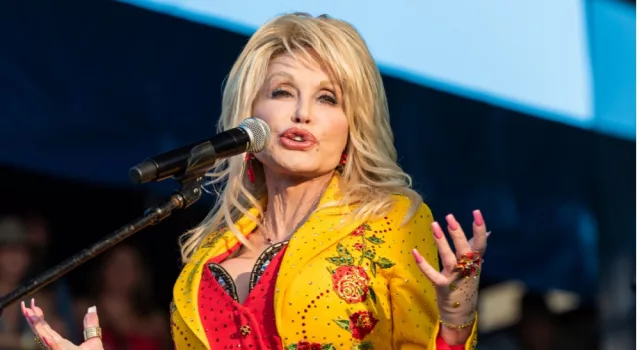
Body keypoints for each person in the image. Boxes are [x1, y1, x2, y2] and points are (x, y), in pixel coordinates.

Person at [21, 12, 489, 350]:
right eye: (282, 92)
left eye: (328, 98)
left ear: (354, 125)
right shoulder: (205, 257)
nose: (302, 112)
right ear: (251, 114)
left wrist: (455, 320)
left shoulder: (391, 221)